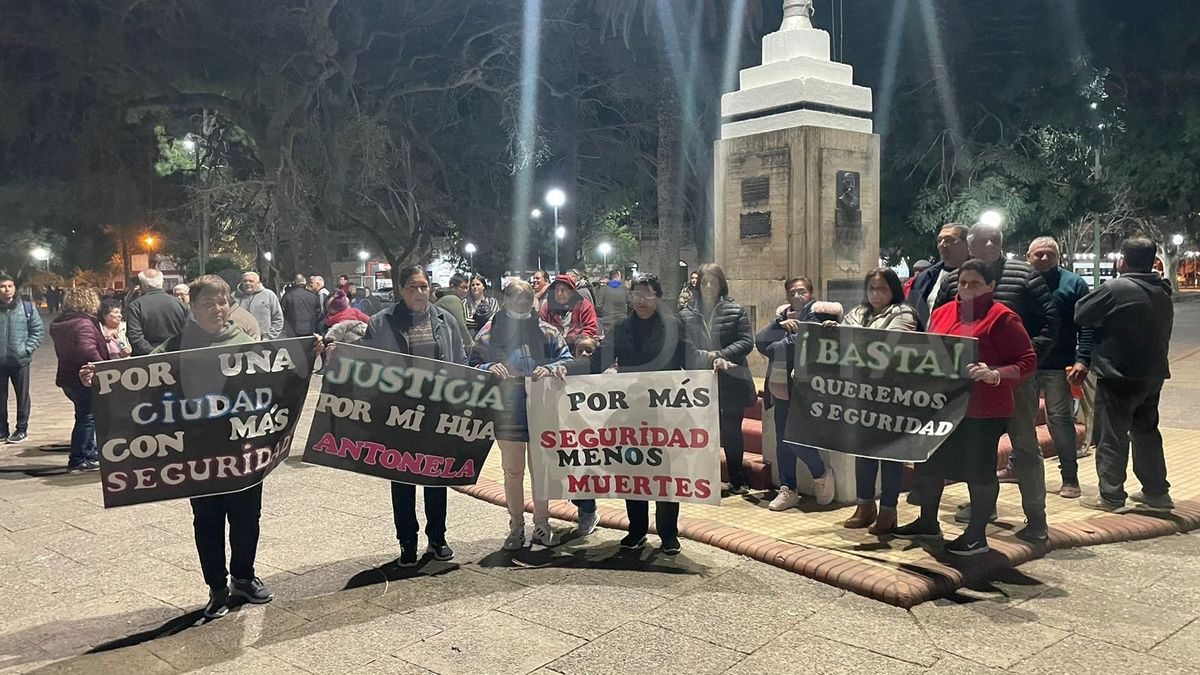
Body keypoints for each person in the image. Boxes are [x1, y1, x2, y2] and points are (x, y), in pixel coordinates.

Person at [82, 275, 277, 618]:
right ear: (193, 308)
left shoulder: (245, 341)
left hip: (242, 448)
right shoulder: (177, 346)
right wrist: (100, 377)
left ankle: (244, 577)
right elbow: (138, 375)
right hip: (197, 451)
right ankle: (217, 587)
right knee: (208, 520)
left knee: (247, 517)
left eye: (222, 302)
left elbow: (277, 376)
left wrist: (315, 352)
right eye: (207, 304)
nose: (217, 309)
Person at [896, 259, 1036, 555]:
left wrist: (995, 374)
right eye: (962, 282)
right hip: (942, 406)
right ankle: (928, 522)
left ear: (991, 286)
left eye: (975, 283)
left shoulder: (1003, 317)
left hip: (983, 410)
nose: (967, 288)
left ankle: (976, 536)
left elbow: (1027, 361)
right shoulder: (943, 312)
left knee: (979, 471)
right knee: (929, 464)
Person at [933, 221, 1059, 542]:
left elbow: (1050, 322)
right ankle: (983, 510)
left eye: (994, 240)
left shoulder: (1024, 275)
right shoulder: (954, 279)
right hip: (967, 386)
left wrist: (1020, 364)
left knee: (1025, 447)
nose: (988, 246)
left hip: (1015, 383)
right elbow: (939, 323)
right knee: (979, 449)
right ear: (969, 245)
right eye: (981, 241)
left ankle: (1036, 517)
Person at [361, 266, 468, 565]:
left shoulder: (445, 320)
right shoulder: (380, 322)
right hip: (398, 413)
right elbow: (366, 366)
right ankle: (407, 542)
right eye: (412, 287)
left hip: (437, 412)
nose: (419, 293)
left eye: (423, 286)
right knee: (402, 480)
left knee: (437, 477)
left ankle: (437, 538)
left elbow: (460, 362)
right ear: (401, 289)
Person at [591, 274, 698, 553]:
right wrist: (563, 369)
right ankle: (637, 529)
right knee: (634, 469)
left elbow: (692, 361)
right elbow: (597, 362)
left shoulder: (673, 326)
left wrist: (713, 365)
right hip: (631, 413)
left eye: (647, 293)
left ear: (657, 297)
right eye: (636, 294)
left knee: (664, 473)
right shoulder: (622, 328)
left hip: (665, 414)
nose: (641, 299)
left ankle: (668, 534)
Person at [470, 280, 579, 549]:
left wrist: (552, 368)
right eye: (515, 297)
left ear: (533, 301)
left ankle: (541, 524)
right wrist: (488, 366)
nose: (520, 303)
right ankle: (516, 526)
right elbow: (471, 365)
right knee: (512, 469)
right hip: (506, 408)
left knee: (541, 468)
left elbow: (567, 359)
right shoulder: (490, 332)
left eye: (526, 298)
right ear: (505, 300)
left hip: (541, 407)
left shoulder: (547, 331)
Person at [1076, 238, 1175, 512]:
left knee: (1112, 436)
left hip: (1119, 374)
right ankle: (1157, 493)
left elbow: (1081, 313)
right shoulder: (1162, 288)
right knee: (1146, 433)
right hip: (1152, 374)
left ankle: (1111, 496)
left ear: (1123, 260)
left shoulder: (1116, 288)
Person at [831, 268, 918, 533]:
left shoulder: (903, 313)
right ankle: (865, 506)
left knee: (890, 454)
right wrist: (834, 332)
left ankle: (889, 510)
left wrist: (849, 336)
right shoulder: (858, 312)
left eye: (882, 288)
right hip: (861, 394)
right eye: (871, 288)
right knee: (863, 452)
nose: (876, 294)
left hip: (892, 395)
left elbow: (885, 346)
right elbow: (845, 340)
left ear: (894, 290)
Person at [679, 263, 756, 494]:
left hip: (731, 381)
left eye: (714, 282)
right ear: (697, 285)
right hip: (700, 383)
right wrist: (705, 358)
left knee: (732, 433)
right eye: (705, 282)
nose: (709, 286)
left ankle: (737, 479)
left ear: (721, 284)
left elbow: (746, 342)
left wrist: (719, 355)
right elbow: (682, 346)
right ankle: (705, 480)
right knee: (703, 433)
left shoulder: (735, 310)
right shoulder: (685, 313)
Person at [1026, 237, 1092, 499]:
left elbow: (1087, 326)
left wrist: (1082, 359)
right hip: (1025, 363)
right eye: (1038, 254)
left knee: (1060, 419)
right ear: (1028, 257)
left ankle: (1070, 477)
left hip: (1059, 364)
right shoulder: (1021, 282)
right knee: (1021, 420)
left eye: (1050, 254)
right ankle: (1017, 467)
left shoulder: (1074, 283)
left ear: (1058, 256)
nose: (1044, 258)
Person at [761, 298, 844, 510]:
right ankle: (788, 488)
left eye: (802, 290)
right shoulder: (783, 318)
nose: (798, 295)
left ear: (810, 294)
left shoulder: (820, 317)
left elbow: (790, 346)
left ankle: (820, 474)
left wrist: (779, 342)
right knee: (782, 441)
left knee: (797, 440)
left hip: (808, 393)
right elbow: (761, 343)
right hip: (781, 391)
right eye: (793, 291)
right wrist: (778, 325)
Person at [50, 288, 108, 471]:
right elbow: (87, 349)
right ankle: (78, 458)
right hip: (83, 377)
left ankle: (89, 452)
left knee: (86, 415)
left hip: (68, 376)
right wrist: (104, 365)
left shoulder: (61, 322)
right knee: (86, 417)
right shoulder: (83, 323)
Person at [0, 274, 44, 444]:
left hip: (20, 361)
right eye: (3, 286)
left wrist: (25, 350)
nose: (7, 290)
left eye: (10, 286)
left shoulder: (26, 308)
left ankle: (21, 429)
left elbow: (37, 331)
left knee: (22, 396)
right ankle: (2, 430)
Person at [910, 224, 970, 328]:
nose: (942, 244)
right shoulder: (924, 278)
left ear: (967, 244)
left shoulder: (977, 278)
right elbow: (911, 311)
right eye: (939, 240)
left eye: (948, 240)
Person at [125, 268, 188, 355]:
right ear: (162, 283)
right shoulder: (179, 304)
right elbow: (189, 331)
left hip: (146, 359)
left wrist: (154, 354)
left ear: (143, 285)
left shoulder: (136, 306)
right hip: (176, 356)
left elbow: (135, 337)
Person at [539, 273, 599, 347]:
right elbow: (541, 328)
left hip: (578, 348)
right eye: (556, 290)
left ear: (571, 292)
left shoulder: (584, 306)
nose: (559, 293)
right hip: (554, 348)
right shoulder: (547, 307)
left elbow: (590, 329)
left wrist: (576, 342)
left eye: (563, 290)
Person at [234, 271, 284, 339]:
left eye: (251, 281)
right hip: (241, 340)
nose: (247, 283)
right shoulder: (233, 297)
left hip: (265, 339)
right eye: (245, 281)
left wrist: (269, 337)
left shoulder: (269, 295)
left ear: (258, 283)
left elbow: (278, 318)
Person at [595, 269, 629, 338]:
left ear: (610, 277)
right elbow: (631, 303)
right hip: (622, 320)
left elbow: (598, 306)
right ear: (619, 277)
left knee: (609, 341)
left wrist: (604, 313)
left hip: (608, 321)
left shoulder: (603, 290)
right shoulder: (625, 289)